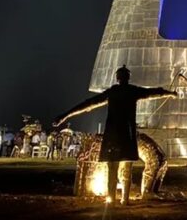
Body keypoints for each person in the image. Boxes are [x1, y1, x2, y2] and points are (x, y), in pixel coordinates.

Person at [53, 65, 177, 205]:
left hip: (114, 134)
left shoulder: (114, 92)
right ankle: (123, 198)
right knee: (125, 167)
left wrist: (65, 115)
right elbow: (152, 92)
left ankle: (114, 198)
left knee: (114, 168)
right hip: (125, 134)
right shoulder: (131, 91)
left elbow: (88, 104)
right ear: (127, 77)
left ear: (117, 78)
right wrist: (169, 93)